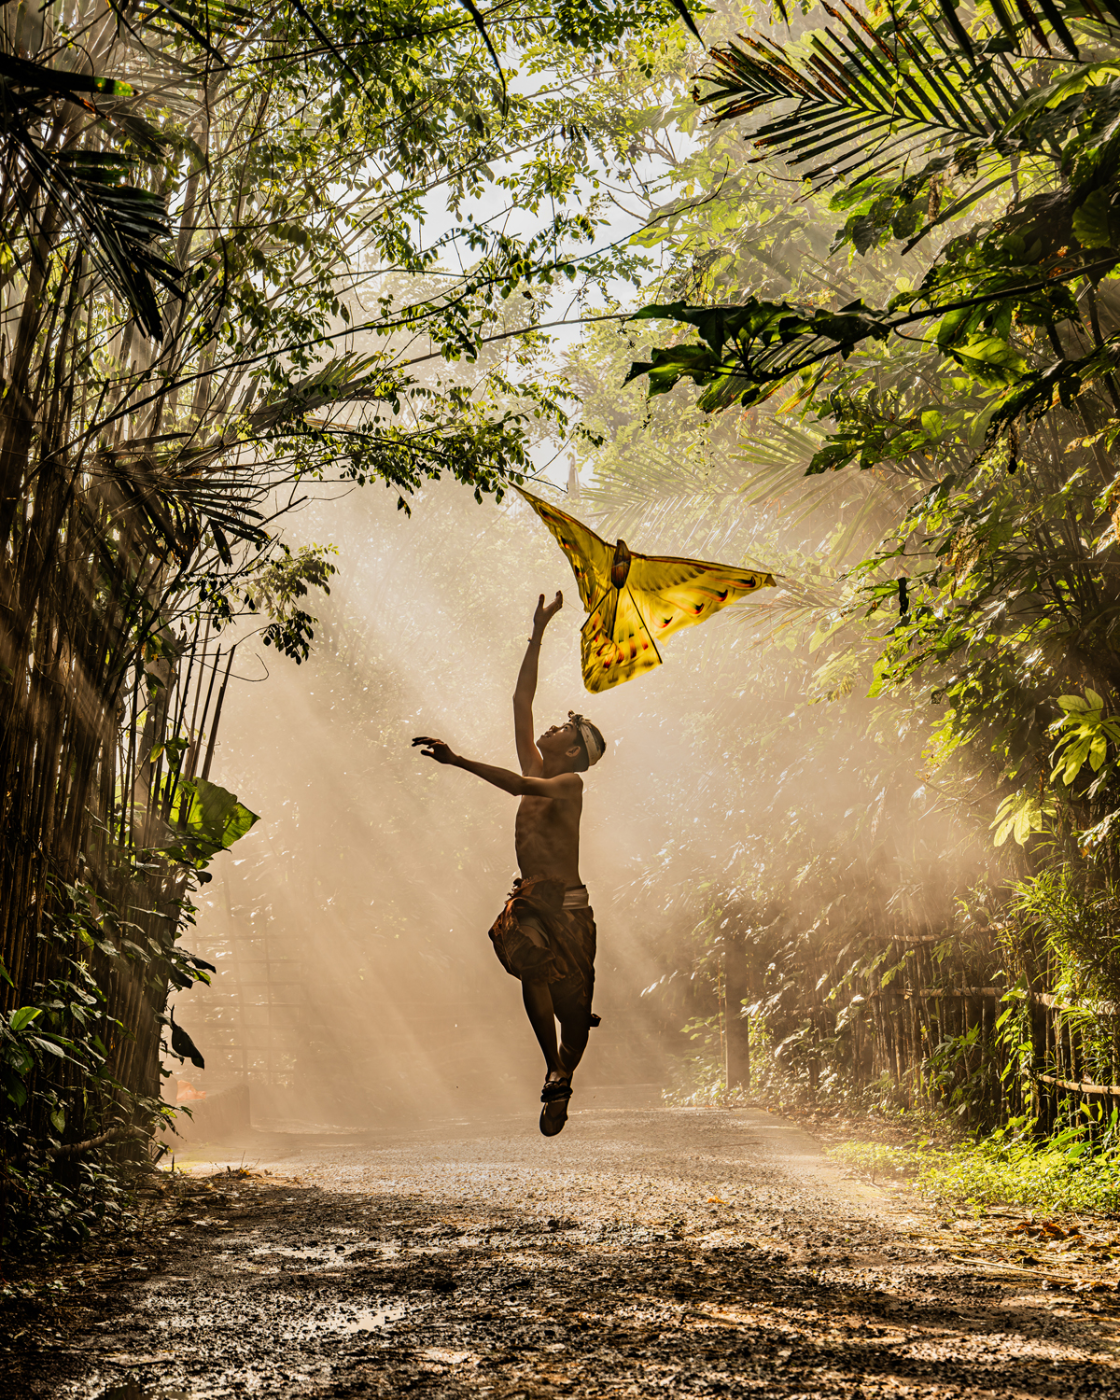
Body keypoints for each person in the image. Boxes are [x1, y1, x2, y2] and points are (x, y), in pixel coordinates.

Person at [412, 590, 606, 1136]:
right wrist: (538, 631)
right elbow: (522, 700)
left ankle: (564, 1071)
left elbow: (521, 784)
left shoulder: (568, 783)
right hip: (533, 900)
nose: (550, 727)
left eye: (563, 729)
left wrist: (458, 761)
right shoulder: (545, 766)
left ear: (573, 751)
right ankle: (552, 1070)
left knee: (575, 1016)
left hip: (568, 907)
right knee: (525, 953)